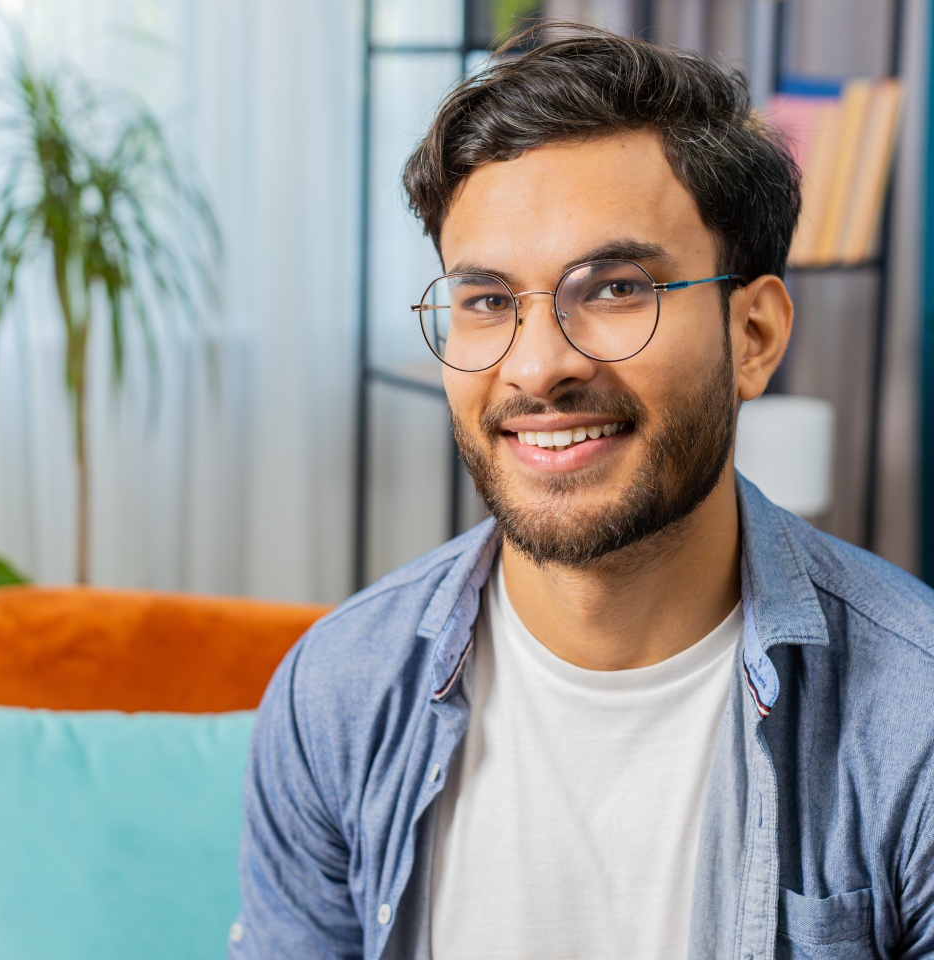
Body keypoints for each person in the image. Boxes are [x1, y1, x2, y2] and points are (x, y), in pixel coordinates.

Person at [231, 26, 934, 960]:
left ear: (755, 335)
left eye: (613, 289)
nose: (539, 367)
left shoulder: (914, 721)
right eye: (486, 301)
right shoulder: (339, 693)